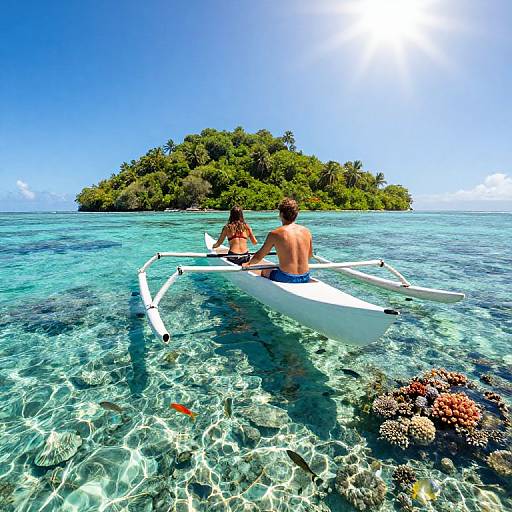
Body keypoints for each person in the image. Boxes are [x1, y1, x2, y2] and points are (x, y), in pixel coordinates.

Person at [242, 198, 312, 283]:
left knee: (265, 271)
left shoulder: (275, 234)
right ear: (296, 214)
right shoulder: (307, 231)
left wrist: (248, 264)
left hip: (286, 278)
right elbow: (309, 255)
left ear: (281, 214)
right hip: (305, 276)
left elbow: (259, 256)